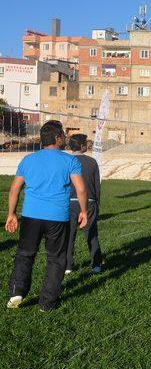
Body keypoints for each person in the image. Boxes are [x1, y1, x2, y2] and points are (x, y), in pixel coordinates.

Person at [6, 121, 87, 311]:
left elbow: (15, 189)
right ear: (58, 138)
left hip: (31, 216)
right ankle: (47, 302)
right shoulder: (70, 161)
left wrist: (12, 214)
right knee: (56, 259)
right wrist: (84, 211)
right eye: (63, 135)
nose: (65, 138)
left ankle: (17, 291)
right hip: (57, 217)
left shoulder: (28, 160)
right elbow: (81, 189)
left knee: (25, 255)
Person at [66, 134, 103, 274]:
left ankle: (68, 265)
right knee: (92, 234)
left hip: (69, 202)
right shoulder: (92, 162)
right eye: (86, 144)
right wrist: (97, 203)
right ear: (82, 146)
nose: (88, 146)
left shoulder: (66, 161)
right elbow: (96, 186)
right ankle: (96, 264)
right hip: (89, 202)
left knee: (69, 235)